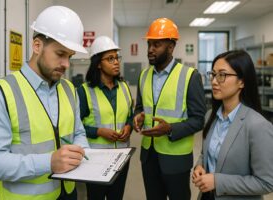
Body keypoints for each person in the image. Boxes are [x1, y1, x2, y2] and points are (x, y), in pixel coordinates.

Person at [0, 6, 89, 200]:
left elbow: (78, 132)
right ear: (37, 46)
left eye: (69, 56)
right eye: (60, 54)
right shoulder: (0, 94)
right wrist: (49, 162)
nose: (66, 64)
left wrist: (81, 151)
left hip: (68, 193)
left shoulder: (70, 89)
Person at [133, 18, 206, 200]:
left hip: (176, 159)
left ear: (171, 47)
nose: (150, 49)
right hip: (149, 157)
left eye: (156, 44)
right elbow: (140, 108)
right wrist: (137, 117)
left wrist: (170, 129)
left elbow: (199, 119)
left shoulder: (190, 76)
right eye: (149, 44)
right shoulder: (143, 75)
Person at [192, 50, 273, 200]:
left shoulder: (257, 125)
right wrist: (199, 166)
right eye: (214, 74)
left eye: (222, 75)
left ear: (241, 81)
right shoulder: (211, 115)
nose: (214, 81)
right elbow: (205, 152)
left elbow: (266, 182)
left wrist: (218, 181)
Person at [77, 36, 133, 200]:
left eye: (117, 58)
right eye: (110, 59)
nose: (116, 62)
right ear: (98, 64)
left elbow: (130, 115)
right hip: (95, 160)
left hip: (121, 157)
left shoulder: (123, 87)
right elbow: (75, 127)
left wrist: (129, 127)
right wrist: (99, 131)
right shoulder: (84, 91)